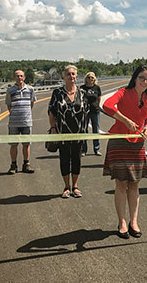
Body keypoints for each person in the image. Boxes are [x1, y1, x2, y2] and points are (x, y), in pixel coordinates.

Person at [102, 65, 147, 239]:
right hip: (119, 141)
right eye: (141, 77)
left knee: (134, 184)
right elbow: (107, 105)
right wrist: (125, 121)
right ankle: (122, 221)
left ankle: (134, 221)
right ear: (135, 78)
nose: (144, 82)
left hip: (137, 144)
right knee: (121, 183)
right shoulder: (123, 92)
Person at [48, 65, 88, 198]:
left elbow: (86, 113)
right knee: (64, 159)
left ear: (76, 76)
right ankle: (66, 186)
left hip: (78, 133)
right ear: (64, 77)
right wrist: (53, 128)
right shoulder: (57, 93)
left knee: (77, 159)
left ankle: (75, 186)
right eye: (68, 74)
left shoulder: (82, 93)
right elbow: (52, 112)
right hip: (62, 132)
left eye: (73, 74)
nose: (71, 76)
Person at [6, 70, 37, 174]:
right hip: (14, 122)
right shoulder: (10, 90)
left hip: (26, 122)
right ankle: (13, 165)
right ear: (14, 78)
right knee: (13, 145)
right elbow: (9, 106)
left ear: (24, 77)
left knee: (26, 144)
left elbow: (32, 103)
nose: (19, 78)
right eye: (17, 76)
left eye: (21, 76)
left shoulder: (30, 89)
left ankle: (26, 164)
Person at [80, 71, 102, 156]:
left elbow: (99, 98)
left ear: (94, 79)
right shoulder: (82, 88)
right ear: (86, 79)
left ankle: (96, 149)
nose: (90, 79)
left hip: (95, 112)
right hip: (85, 112)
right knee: (84, 130)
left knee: (95, 130)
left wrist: (97, 106)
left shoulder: (97, 88)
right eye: (88, 77)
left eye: (92, 77)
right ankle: (83, 150)